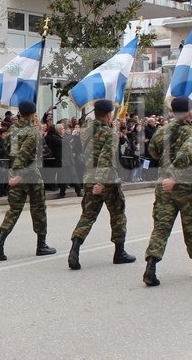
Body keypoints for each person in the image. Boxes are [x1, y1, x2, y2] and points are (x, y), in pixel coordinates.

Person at [142, 97, 192, 287]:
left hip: (164, 183)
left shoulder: (161, 131)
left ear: (173, 112)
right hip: (184, 185)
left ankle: (151, 266)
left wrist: (168, 169)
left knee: (161, 227)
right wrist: (175, 176)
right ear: (189, 112)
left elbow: (153, 151)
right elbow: (187, 153)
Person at [68, 100, 136, 270]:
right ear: (108, 114)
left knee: (88, 216)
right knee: (118, 215)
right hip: (106, 180)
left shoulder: (86, 131)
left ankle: (74, 249)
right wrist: (101, 182)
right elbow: (106, 158)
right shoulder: (110, 133)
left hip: (89, 177)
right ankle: (119, 252)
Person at [0, 101, 56, 261]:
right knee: (39, 209)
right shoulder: (33, 131)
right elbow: (25, 153)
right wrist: (20, 173)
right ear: (33, 114)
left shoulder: (12, 129)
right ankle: (41, 245)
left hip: (14, 172)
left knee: (13, 210)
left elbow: (6, 149)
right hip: (29, 173)